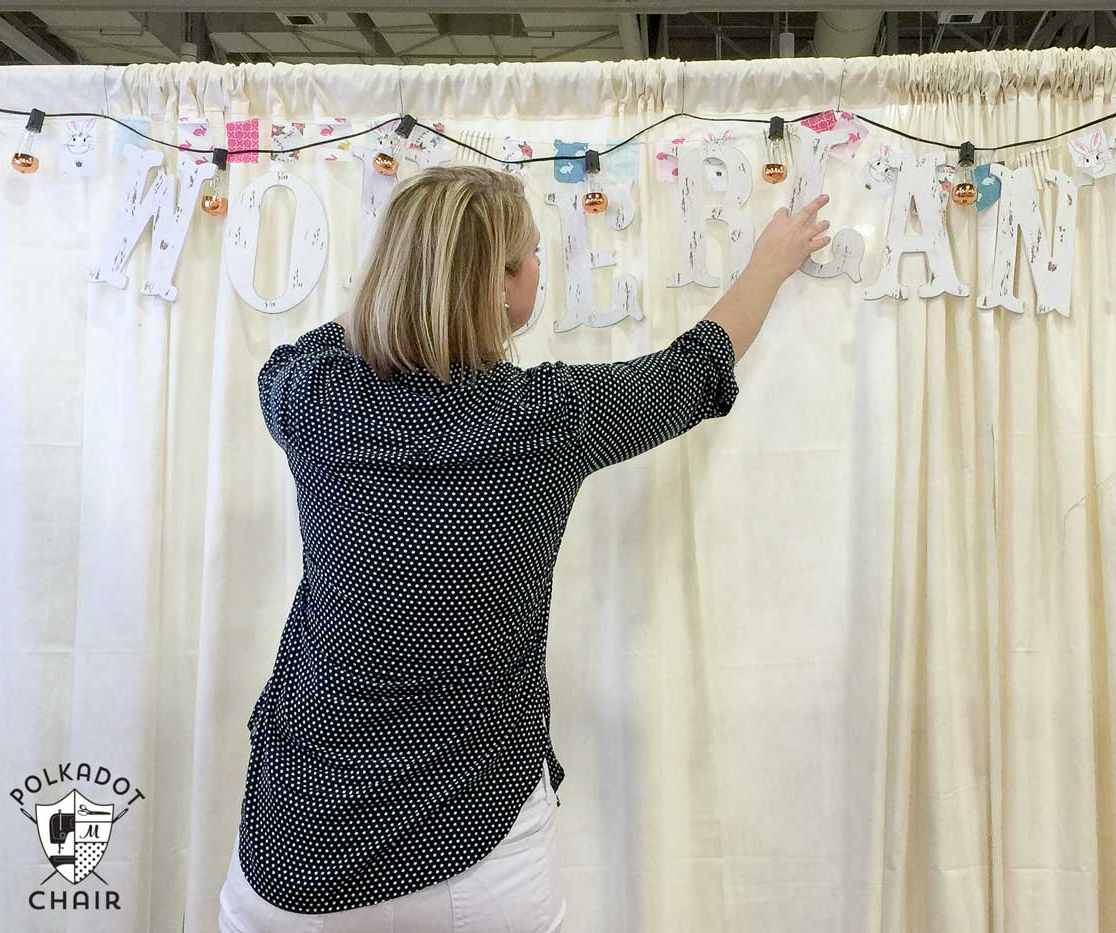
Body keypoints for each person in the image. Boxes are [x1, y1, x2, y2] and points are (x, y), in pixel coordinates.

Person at [218, 165, 830, 933]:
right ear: (498, 284)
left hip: (301, 848)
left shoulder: (314, 399)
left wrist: (404, 285)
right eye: (532, 253)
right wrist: (769, 266)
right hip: (479, 851)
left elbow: (297, 357)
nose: (543, 265)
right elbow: (691, 373)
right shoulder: (546, 421)